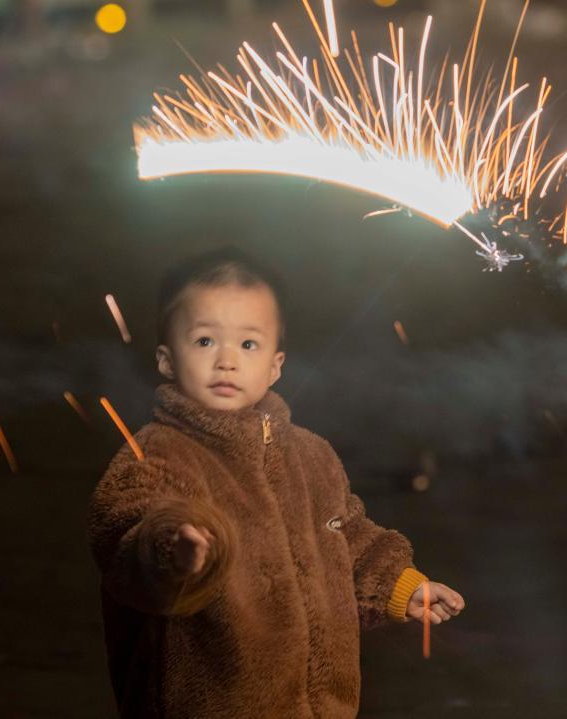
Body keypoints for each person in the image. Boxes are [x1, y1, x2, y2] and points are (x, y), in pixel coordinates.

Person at [87, 246, 465, 718]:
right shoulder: (160, 453)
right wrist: (172, 549)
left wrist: (399, 586)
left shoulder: (312, 456)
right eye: (205, 341)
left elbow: (347, 539)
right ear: (166, 359)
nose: (226, 360)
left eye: (248, 345)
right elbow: (124, 527)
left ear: (275, 365)